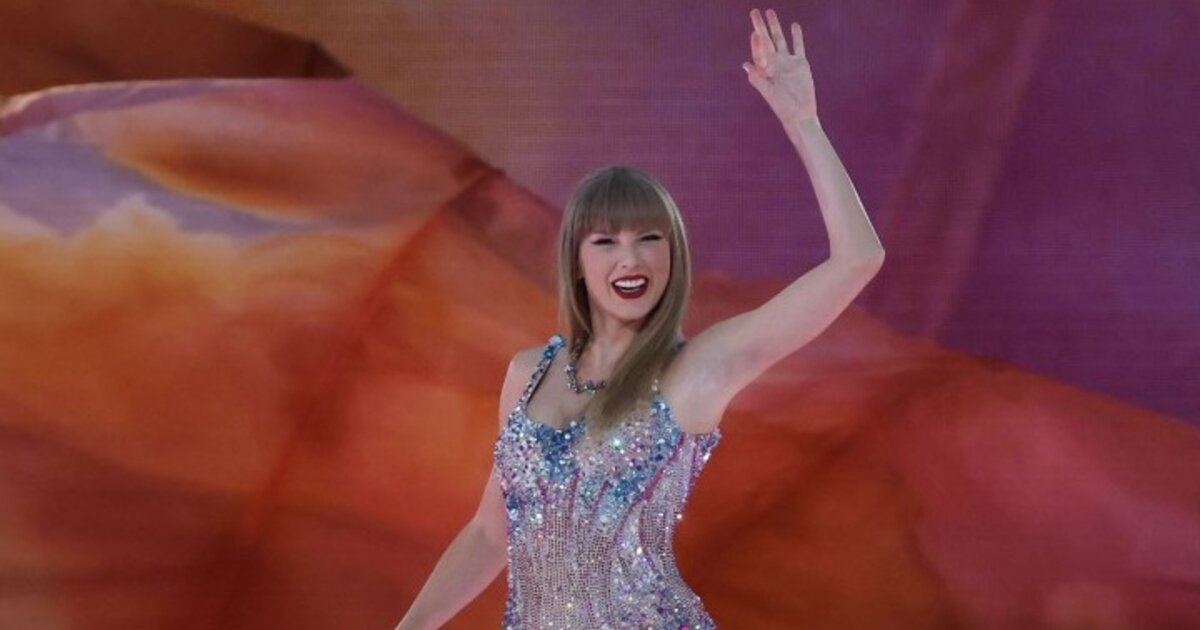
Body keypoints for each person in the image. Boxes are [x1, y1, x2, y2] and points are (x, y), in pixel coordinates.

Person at [395, 7, 884, 629]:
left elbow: (858, 260)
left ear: (672, 254)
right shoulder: (527, 373)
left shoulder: (695, 371)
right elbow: (490, 535)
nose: (630, 258)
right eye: (606, 241)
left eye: (648, 238)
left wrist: (804, 125)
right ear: (577, 261)